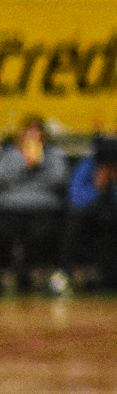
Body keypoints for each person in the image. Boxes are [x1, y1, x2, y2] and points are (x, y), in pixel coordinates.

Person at [63, 135, 117, 295]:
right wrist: (98, 186)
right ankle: (65, 272)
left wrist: (116, 185)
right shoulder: (87, 165)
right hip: (93, 217)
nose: (110, 165)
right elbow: (76, 200)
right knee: (73, 219)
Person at [0, 117, 69, 292]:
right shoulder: (8, 154)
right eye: (28, 130)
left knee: (42, 233)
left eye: (36, 130)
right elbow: (2, 177)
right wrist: (23, 164)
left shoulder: (54, 154)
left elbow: (59, 179)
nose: (32, 134)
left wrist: (40, 162)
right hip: (10, 207)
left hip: (43, 207)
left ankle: (36, 273)